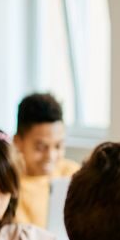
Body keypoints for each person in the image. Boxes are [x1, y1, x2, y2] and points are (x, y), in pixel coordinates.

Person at [12, 92, 81, 227]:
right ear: (17, 142)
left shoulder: (74, 174)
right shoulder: (9, 185)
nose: (51, 156)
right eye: (41, 147)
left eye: (58, 146)